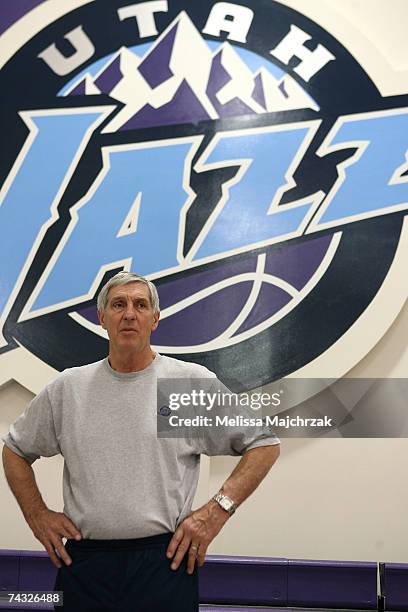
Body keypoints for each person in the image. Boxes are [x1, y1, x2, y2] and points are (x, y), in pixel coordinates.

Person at [2, 271, 280, 611]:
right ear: (102, 318)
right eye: (118, 305)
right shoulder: (68, 388)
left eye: (140, 305)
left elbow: (263, 444)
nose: (129, 314)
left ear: (155, 319)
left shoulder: (185, 385)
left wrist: (215, 511)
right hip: (85, 566)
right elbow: (15, 450)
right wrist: (36, 515)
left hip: (165, 563)